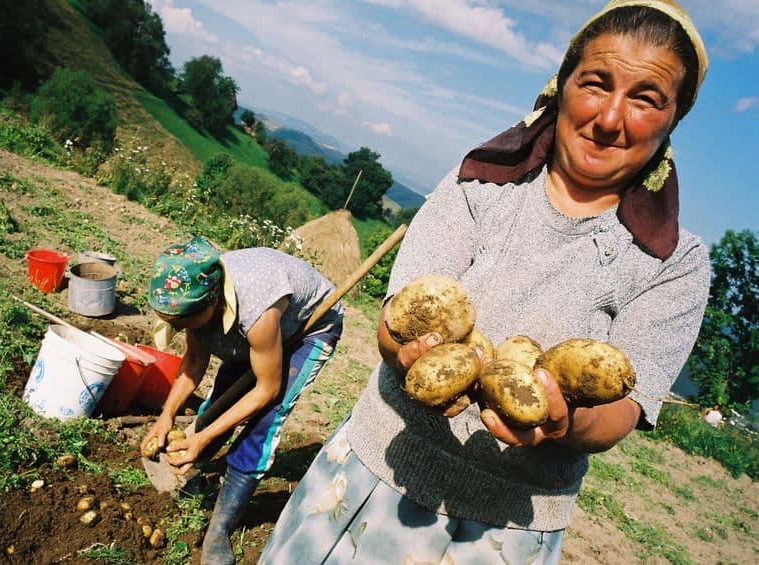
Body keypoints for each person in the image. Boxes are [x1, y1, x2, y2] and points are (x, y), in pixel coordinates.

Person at [259, 1, 710, 563]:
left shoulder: (675, 262)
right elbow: (398, 317)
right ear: (561, 86)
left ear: (672, 121)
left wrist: (561, 419)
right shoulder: (481, 182)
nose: (611, 118)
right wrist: (407, 351)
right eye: (596, 84)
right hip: (374, 469)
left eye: (646, 99)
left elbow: (625, 408)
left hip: (503, 530)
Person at [140, 236, 343, 565]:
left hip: (309, 326)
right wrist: (167, 416)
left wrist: (202, 436)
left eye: (182, 323)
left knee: (263, 422)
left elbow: (266, 389)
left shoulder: (255, 314)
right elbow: (193, 362)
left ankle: (220, 528)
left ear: (213, 304)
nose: (176, 328)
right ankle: (193, 468)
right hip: (257, 323)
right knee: (223, 397)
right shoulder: (198, 298)